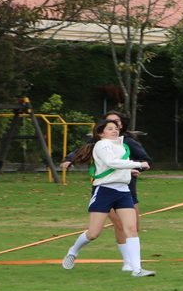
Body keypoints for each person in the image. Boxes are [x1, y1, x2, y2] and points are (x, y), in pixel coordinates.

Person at [61, 111, 154, 271]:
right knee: (93, 233)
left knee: (131, 229)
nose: (115, 130)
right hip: (104, 191)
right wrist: (137, 165)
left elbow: (117, 165)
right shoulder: (101, 144)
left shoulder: (123, 145)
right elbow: (112, 163)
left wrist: (130, 171)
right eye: (110, 127)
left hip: (124, 191)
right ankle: (73, 251)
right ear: (100, 132)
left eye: (116, 127)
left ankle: (136, 269)